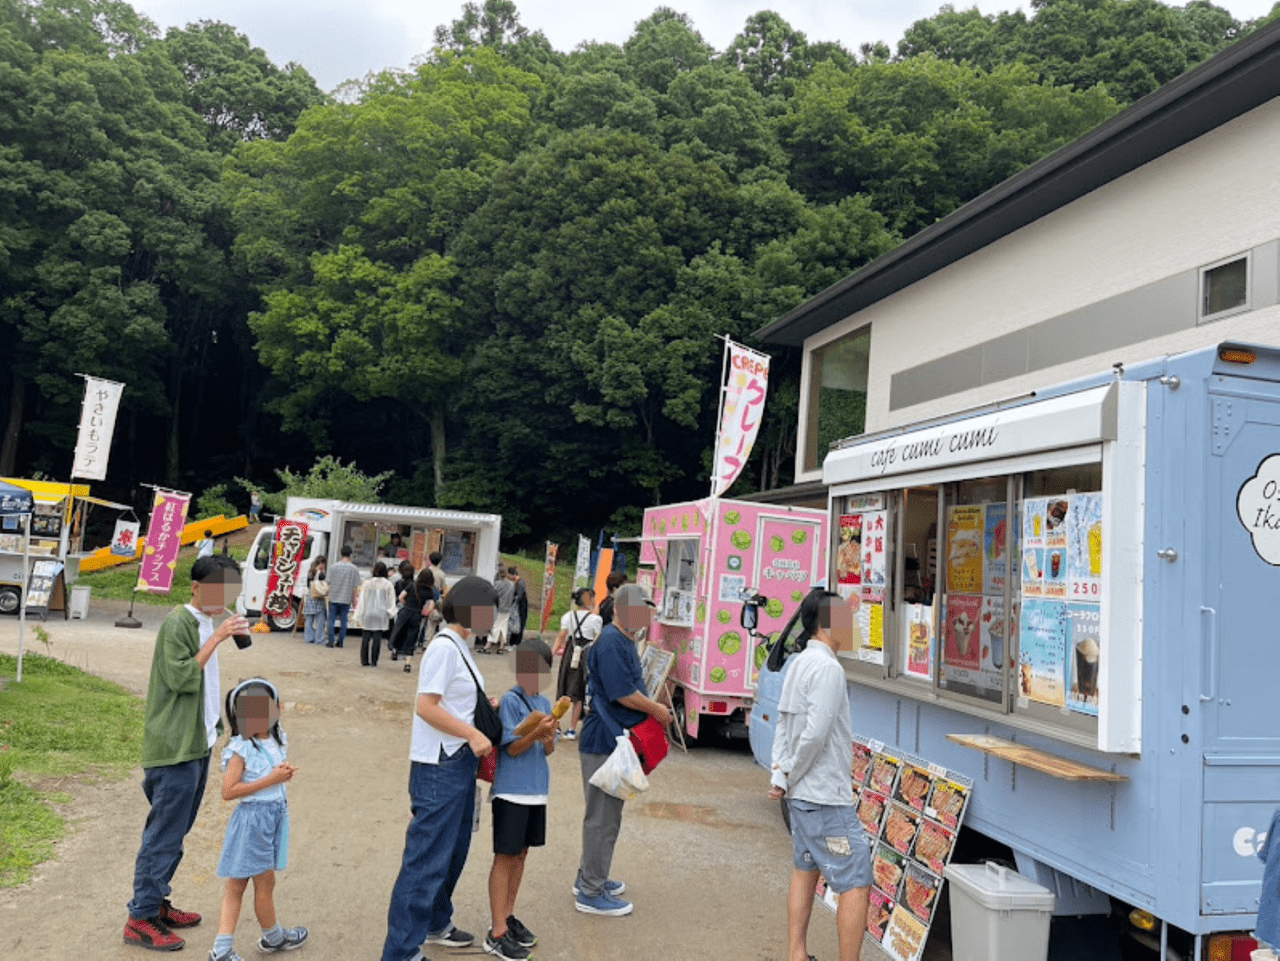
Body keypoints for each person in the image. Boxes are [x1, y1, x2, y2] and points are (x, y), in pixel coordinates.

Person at [123, 555, 250, 952]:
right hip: (174, 747)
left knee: (177, 831)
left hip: (197, 742)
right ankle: (140, 917)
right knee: (163, 834)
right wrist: (215, 638)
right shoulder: (180, 623)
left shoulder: (206, 621)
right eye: (218, 589)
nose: (225, 597)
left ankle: (158, 903)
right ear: (196, 588)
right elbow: (180, 677)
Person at [381, 576, 498, 961]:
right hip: (440, 764)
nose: (492, 617)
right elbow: (426, 706)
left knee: (453, 850)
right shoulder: (444, 648)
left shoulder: (460, 646)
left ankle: (434, 920)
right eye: (488, 609)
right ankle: (401, 951)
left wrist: (482, 709)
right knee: (426, 859)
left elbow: (453, 701)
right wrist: (471, 732)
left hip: (458, 759)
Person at [768, 589, 870, 961]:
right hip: (825, 797)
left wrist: (780, 775)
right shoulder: (828, 669)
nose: (852, 624)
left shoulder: (800, 663)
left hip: (801, 797)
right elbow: (815, 733)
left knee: (805, 871)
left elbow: (784, 723)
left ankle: (797, 954)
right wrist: (789, 772)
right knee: (856, 882)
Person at [574, 584, 671, 917]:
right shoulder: (614, 641)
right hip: (605, 741)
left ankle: (590, 877)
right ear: (618, 607)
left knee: (605, 816)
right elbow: (622, 693)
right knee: (602, 819)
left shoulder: (622, 639)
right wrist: (656, 710)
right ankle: (590, 891)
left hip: (610, 740)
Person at [209, 679, 307, 960]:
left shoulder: (276, 738)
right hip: (252, 822)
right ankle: (223, 950)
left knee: (264, 884)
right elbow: (229, 791)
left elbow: (271, 775)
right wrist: (271, 779)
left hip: (273, 819)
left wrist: (282, 772)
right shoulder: (241, 747)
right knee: (239, 885)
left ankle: (272, 936)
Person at [485, 638, 558, 960]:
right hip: (511, 790)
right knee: (505, 856)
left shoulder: (545, 703)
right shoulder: (510, 702)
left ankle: (509, 916)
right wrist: (535, 733)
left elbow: (549, 751)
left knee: (522, 855)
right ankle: (496, 931)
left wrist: (549, 738)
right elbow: (511, 749)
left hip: (536, 791)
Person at [553, 587, 602, 741]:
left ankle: (555, 725)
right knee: (579, 692)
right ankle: (572, 729)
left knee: (564, 687)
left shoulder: (568, 616)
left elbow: (562, 636)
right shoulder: (595, 619)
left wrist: (552, 652)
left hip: (570, 653)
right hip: (585, 656)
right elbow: (597, 639)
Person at [392, 569, 436, 674]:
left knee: (400, 632)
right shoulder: (430, 591)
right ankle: (407, 664)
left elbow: (401, 597)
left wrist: (405, 604)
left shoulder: (412, 585)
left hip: (406, 612)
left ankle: (395, 651)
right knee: (412, 638)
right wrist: (426, 613)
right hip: (417, 615)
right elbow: (431, 606)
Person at [358, 562, 396, 667]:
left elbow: (362, 599)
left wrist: (359, 613)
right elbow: (391, 600)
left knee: (366, 637)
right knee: (377, 638)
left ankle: (364, 660)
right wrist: (390, 613)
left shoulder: (367, 583)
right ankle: (374, 661)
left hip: (368, 612)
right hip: (381, 614)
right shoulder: (388, 584)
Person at [326, 546, 361, 649]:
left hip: (334, 596)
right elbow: (356, 586)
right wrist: (355, 600)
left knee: (331, 619)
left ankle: (331, 641)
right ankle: (340, 641)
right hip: (346, 598)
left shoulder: (333, 567)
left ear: (341, 553)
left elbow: (328, 582)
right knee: (344, 620)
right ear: (350, 554)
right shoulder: (354, 568)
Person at [486, 567, 516, 655]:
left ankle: (488, 646)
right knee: (503, 627)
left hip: (498, 608)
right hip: (507, 609)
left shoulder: (497, 584)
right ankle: (501, 647)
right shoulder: (512, 584)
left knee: (494, 626)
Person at [302, 557, 329, 646]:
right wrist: (322, 571)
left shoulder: (310, 572)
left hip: (310, 597)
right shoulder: (320, 573)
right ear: (321, 563)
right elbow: (323, 582)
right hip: (318, 598)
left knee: (309, 619)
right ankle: (319, 639)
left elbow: (308, 585)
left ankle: (309, 638)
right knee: (320, 619)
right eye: (323, 563)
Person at [507, 567, 528, 648]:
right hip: (519, 605)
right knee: (516, 623)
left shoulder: (520, 583)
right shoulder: (518, 582)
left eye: (509, 576)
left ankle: (516, 642)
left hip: (521, 606)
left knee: (518, 623)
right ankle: (514, 642)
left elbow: (518, 596)